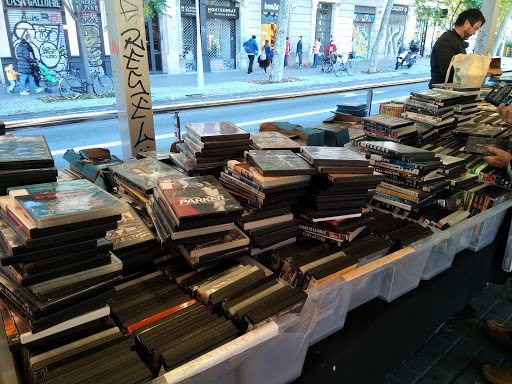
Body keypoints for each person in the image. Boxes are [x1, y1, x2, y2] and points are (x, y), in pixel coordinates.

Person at [429, 8, 486, 87]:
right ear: (467, 23)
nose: (474, 33)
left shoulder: (456, 40)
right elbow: (449, 73)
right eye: (475, 28)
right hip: (441, 93)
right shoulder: (447, 41)